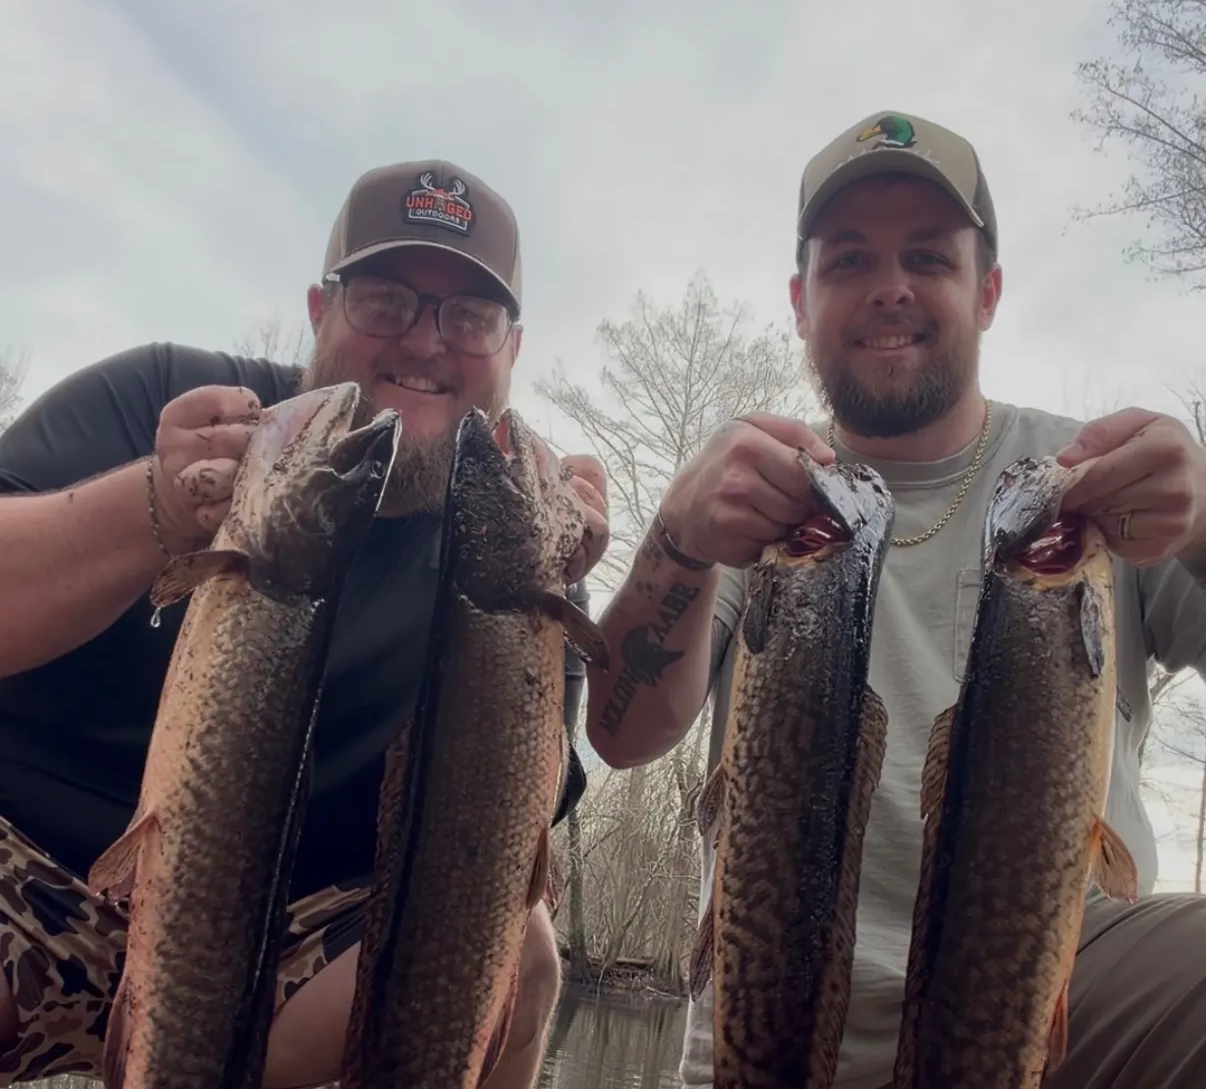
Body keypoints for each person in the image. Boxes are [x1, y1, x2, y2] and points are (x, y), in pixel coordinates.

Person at [585, 110, 1206, 1089]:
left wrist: (1204, 525)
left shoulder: (1098, 485)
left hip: (1062, 1002)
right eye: (847, 263)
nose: (890, 290)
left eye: (928, 257)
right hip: (768, 1010)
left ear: (988, 291)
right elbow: (623, 735)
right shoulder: (764, 492)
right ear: (799, 299)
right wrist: (678, 541)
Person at [0, 159, 611, 1089]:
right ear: (321, 312)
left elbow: (513, 823)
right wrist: (155, 505)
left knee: (518, 950)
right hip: (26, 873)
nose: (426, 342)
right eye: (386, 301)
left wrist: (551, 596)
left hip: (277, 949)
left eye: (469, 317)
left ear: (513, 350)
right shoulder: (166, 398)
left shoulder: (507, 540)